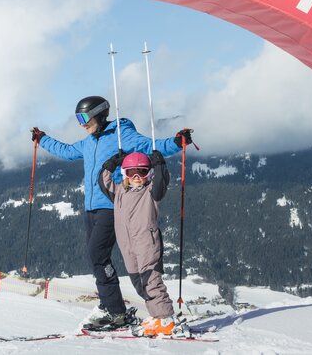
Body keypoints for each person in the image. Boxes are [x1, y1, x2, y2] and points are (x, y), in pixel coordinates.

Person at [31, 96, 192, 328]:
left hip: (111, 205)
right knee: (97, 258)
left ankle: (115, 310)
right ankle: (112, 307)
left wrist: (177, 142)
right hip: (91, 209)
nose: (81, 123)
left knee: (97, 255)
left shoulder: (121, 135)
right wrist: (42, 139)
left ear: (99, 114)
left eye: (84, 117)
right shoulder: (88, 142)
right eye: (78, 118)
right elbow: (66, 151)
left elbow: (151, 146)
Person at [100, 150, 185, 337]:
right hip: (127, 246)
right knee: (139, 282)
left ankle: (165, 318)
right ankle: (156, 315)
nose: (137, 177)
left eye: (142, 172)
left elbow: (162, 182)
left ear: (149, 174)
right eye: (131, 173)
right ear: (125, 174)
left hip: (147, 242)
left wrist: (159, 164)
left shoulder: (151, 192)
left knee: (151, 280)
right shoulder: (119, 192)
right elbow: (103, 181)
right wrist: (111, 163)